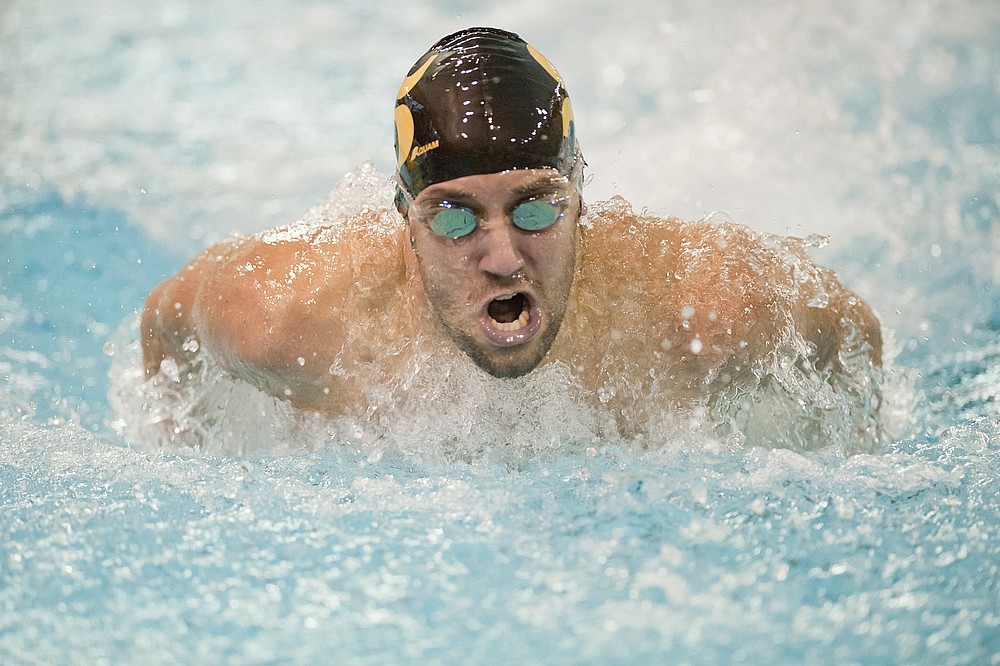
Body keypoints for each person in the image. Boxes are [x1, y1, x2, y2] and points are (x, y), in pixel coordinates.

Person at [141, 27, 884, 449]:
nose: (501, 260)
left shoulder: (702, 310)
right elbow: (166, 324)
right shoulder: (285, 317)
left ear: (580, 201)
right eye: (454, 218)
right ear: (404, 217)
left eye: (535, 211)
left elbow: (854, 337)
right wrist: (188, 453)